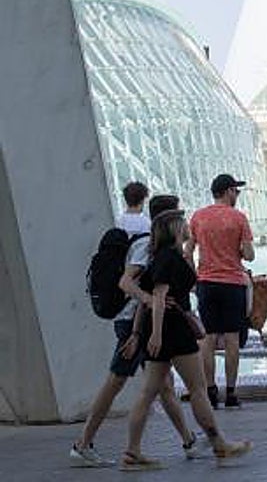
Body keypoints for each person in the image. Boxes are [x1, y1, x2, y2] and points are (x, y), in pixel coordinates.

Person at [70, 189, 199, 468]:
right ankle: (84, 443)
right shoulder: (145, 245)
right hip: (131, 322)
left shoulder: (155, 244)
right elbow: (126, 283)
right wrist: (150, 301)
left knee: (161, 384)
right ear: (170, 219)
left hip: (137, 321)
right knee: (118, 380)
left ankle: (189, 439)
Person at [121, 209, 251, 470]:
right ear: (173, 229)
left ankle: (132, 452)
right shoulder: (170, 259)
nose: (186, 225)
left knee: (148, 392)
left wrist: (141, 333)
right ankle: (219, 444)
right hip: (173, 330)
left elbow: (147, 301)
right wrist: (156, 333)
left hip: (159, 328)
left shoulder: (160, 257)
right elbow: (158, 296)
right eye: (182, 222)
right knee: (198, 389)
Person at [186, 174, 255, 410]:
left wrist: (194, 276)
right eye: (236, 191)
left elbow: (187, 251)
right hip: (232, 283)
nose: (237, 195)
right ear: (227, 191)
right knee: (232, 338)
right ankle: (231, 392)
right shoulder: (238, 218)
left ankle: (210, 389)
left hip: (206, 283)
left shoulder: (198, 217)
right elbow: (249, 255)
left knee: (208, 337)